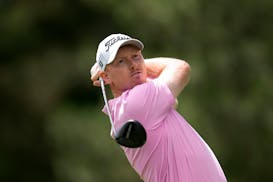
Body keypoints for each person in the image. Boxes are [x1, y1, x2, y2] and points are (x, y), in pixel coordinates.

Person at [90, 33, 227, 182]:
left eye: (136, 56)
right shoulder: (137, 102)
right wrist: (139, 65)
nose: (133, 64)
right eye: (121, 61)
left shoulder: (132, 104)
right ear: (105, 77)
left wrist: (117, 67)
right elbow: (181, 68)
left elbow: (172, 100)